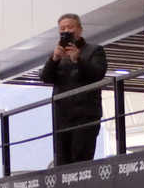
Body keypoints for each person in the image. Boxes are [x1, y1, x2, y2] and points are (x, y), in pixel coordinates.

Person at [38, 14, 108, 164]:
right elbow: (45, 77)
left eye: (70, 27)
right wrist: (53, 60)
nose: (67, 31)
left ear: (80, 29)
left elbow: (97, 75)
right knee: (62, 161)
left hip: (85, 115)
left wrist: (78, 60)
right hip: (61, 116)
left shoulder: (95, 50)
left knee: (81, 159)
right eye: (62, 28)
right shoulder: (57, 55)